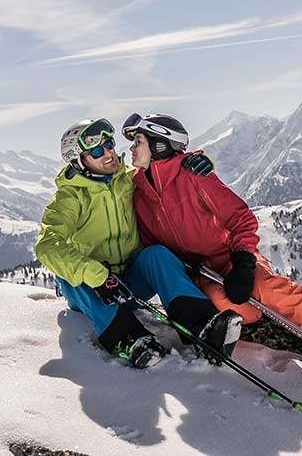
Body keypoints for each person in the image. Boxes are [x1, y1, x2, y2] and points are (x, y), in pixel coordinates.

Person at [123, 112, 302, 359]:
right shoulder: (139, 193)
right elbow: (151, 243)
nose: (132, 148)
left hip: (231, 257)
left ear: (159, 144)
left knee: (265, 289)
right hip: (200, 272)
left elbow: (240, 217)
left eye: (138, 142)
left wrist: (243, 263)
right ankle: (277, 335)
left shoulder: (194, 175)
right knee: (225, 303)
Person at [35, 117, 242, 369]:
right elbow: (47, 245)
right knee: (68, 278)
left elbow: (164, 172)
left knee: (157, 255)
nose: (109, 154)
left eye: (109, 144)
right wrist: (97, 276)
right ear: (80, 161)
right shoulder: (70, 197)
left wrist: (193, 164)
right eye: (97, 151)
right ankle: (128, 339)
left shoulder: (129, 179)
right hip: (95, 291)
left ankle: (201, 326)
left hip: (130, 285)